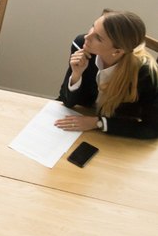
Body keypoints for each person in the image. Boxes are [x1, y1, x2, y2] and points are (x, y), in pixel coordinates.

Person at [55, 10, 158, 139]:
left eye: (98, 37)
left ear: (117, 51)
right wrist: (76, 75)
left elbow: (152, 128)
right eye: (93, 26)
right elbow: (67, 101)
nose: (87, 36)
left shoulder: (145, 73)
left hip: (114, 133)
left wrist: (98, 123)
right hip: (82, 119)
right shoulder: (82, 45)